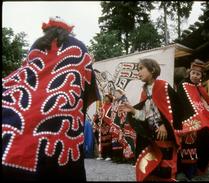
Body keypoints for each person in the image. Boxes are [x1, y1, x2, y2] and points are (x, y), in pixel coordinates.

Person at [2, 16, 100, 181]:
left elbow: (26, 74)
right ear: (68, 30)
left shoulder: (37, 45)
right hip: (62, 113)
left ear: (46, 31)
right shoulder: (79, 46)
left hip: (28, 109)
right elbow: (88, 82)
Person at [118, 58, 183, 181]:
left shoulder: (163, 85)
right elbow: (145, 116)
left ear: (152, 70)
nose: (138, 72)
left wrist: (164, 125)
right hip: (152, 137)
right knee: (152, 170)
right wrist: (132, 110)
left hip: (165, 136)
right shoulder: (144, 91)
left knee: (166, 169)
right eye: (138, 69)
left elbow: (175, 108)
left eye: (141, 68)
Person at [174, 59, 209, 180]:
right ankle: (181, 172)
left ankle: (195, 169)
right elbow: (189, 105)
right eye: (193, 73)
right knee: (186, 146)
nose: (195, 75)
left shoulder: (199, 87)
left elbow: (206, 104)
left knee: (202, 142)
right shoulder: (183, 85)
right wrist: (198, 119)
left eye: (198, 74)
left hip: (198, 120)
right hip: (187, 121)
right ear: (189, 72)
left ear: (201, 76)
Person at [110, 88, 136, 163]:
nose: (114, 94)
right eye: (114, 93)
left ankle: (130, 158)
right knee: (118, 140)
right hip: (116, 124)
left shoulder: (124, 101)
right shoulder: (115, 102)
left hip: (124, 124)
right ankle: (118, 157)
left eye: (116, 93)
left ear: (120, 93)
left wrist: (123, 123)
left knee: (127, 141)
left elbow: (126, 113)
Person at [93, 94, 113, 161]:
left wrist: (105, 119)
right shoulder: (102, 106)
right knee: (101, 141)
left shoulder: (112, 107)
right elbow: (98, 114)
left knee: (108, 141)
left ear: (110, 99)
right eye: (105, 98)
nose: (106, 99)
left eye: (107, 98)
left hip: (107, 126)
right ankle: (102, 155)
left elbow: (111, 116)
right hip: (101, 126)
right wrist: (97, 117)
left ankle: (109, 155)